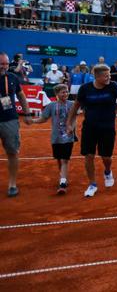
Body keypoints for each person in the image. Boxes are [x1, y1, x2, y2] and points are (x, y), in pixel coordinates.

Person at [66, 64, 117, 197]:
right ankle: (92, 184)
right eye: (105, 76)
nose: (108, 78)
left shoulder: (113, 86)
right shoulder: (85, 88)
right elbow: (75, 107)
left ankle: (107, 171)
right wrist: (69, 124)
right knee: (89, 156)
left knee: (106, 157)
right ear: (96, 76)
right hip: (89, 128)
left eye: (109, 75)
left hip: (107, 128)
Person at [30, 84, 76, 194]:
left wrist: (71, 128)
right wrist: (33, 121)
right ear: (57, 94)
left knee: (65, 159)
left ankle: (63, 182)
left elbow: (74, 118)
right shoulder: (51, 106)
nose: (65, 94)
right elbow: (43, 118)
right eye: (63, 92)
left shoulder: (72, 104)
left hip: (68, 137)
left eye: (66, 92)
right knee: (59, 159)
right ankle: (62, 176)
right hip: (56, 137)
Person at [0, 52, 31, 197]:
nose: (4, 66)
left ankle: (12, 184)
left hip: (9, 120)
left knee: (12, 152)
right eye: (1, 63)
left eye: (5, 63)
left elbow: (21, 96)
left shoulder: (12, 77)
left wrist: (27, 114)